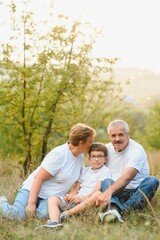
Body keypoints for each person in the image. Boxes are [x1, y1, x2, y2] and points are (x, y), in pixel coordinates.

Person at [0, 123, 96, 221]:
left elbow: (79, 180)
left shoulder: (80, 156)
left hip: (50, 197)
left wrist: (72, 195)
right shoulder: (59, 154)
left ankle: (35, 208)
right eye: (90, 142)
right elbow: (39, 178)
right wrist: (31, 203)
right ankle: (2, 202)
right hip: (32, 189)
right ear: (81, 143)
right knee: (17, 216)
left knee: (42, 216)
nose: (92, 144)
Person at [35, 142, 111, 230]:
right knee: (52, 199)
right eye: (94, 156)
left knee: (98, 194)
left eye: (100, 156)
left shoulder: (105, 171)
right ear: (89, 158)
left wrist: (82, 199)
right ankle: (54, 222)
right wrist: (72, 195)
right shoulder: (85, 170)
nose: (96, 159)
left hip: (89, 201)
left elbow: (97, 189)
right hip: (77, 200)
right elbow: (77, 186)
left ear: (105, 159)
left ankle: (65, 215)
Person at [96, 119, 159, 223]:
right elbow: (95, 171)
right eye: (113, 135)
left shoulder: (137, 150)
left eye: (120, 135)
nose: (117, 139)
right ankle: (116, 211)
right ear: (109, 137)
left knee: (152, 181)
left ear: (128, 134)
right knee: (106, 180)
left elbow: (127, 177)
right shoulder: (105, 149)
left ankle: (116, 211)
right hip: (115, 193)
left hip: (134, 192)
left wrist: (107, 193)